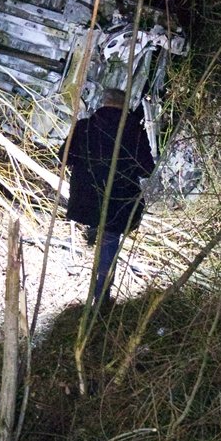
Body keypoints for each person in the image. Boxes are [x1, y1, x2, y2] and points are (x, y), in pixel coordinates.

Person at [62, 88, 156, 305]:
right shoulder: (134, 131)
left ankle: (93, 234)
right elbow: (146, 169)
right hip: (118, 204)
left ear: (103, 103)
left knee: (97, 223)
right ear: (125, 107)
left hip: (85, 199)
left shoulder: (85, 127)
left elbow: (64, 157)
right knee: (109, 244)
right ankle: (101, 297)